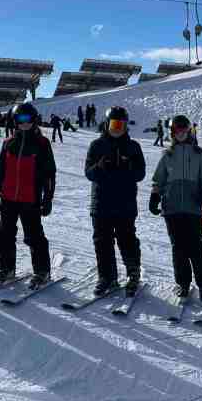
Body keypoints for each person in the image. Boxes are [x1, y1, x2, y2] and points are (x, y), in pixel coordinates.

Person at [0, 102, 56, 287]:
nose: (24, 123)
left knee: (34, 236)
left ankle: (42, 271)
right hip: (8, 197)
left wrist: (47, 198)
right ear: (14, 121)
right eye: (20, 119)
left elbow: (49, 174)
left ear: (34, 120)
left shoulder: (42, 143)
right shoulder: (8, 143)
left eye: (28, 119)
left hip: (30, 198)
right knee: (5, 233)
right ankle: (6, 268)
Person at [150, 114, 202, 302]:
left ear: (189, 131)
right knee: (178, 248)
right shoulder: (167, 155)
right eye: (177, 131)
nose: (181, 134)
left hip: (193, 207)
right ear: (172, 133)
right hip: (172, 208)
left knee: (195, 247)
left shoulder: (198, 154)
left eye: (184, 130)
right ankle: (183, 283)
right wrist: (155, 196)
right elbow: (158, 179)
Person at [85, 106, 146, 297]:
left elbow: (140, 174)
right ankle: (107, 277)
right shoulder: (97, 145)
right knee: (102, 241)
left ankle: (133, 274)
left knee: (127, 239)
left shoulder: (133, 147)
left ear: (126, 126)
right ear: (107, 124)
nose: (117, 128)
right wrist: (100, 166)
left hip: (125, 204)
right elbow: (89, 173)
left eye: (121, 125)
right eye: (114, 124)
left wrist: (129, 166)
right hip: (101, 202)